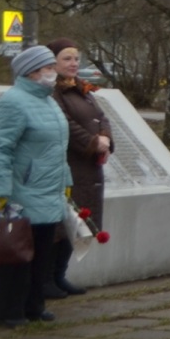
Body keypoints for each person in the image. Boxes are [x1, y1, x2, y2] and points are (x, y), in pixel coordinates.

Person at [0, 45, 72, 327]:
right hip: (23, 191)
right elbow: (2, 149)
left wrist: (66, 181)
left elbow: (58, 147)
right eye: (48, 67)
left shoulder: (47, 100)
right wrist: (0, 190)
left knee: (41, 254)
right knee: (17, 255)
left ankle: (34, 306)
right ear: (32, 71)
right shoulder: (14, 101)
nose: (52, 72)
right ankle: (9, 312)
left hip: (49, 189)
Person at [46, 38, 111, 297]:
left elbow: (101, 116)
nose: (73, 63)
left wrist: (105, 138)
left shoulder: (81, 89)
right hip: (70, 164)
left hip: (89, 167)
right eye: (67, 59)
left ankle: (60, 275)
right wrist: (93, 142)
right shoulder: (54, 92)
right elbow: (66, 125)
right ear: (53, 62)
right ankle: (47, 278)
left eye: (76, 59)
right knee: (60, 225)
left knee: (77, 223)